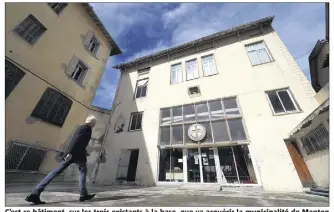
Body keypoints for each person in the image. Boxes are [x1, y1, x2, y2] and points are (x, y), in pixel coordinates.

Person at [25, 115, 97, 205]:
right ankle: (83, 194)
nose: (95, 124)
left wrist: (84, 151)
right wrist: (69, 153)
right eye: (94, 122)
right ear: (91, 122)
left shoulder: (83, 127)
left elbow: (80, 142)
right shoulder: (86, 128)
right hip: (76, 155)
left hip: (75, 153)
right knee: (82, 172)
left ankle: (35, 192)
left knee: (56, 172)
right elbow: (75, 140)